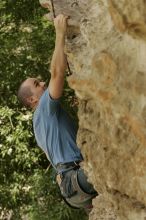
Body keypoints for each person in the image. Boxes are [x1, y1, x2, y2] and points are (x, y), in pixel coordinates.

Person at [17, 14, 97, 212]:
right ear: (32, 100)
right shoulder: (43, 108)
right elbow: (57, 73)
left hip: (71, 188)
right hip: (78, 178)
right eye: (37, 84)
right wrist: (60, 33)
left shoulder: (37, 126)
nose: (42, 83)